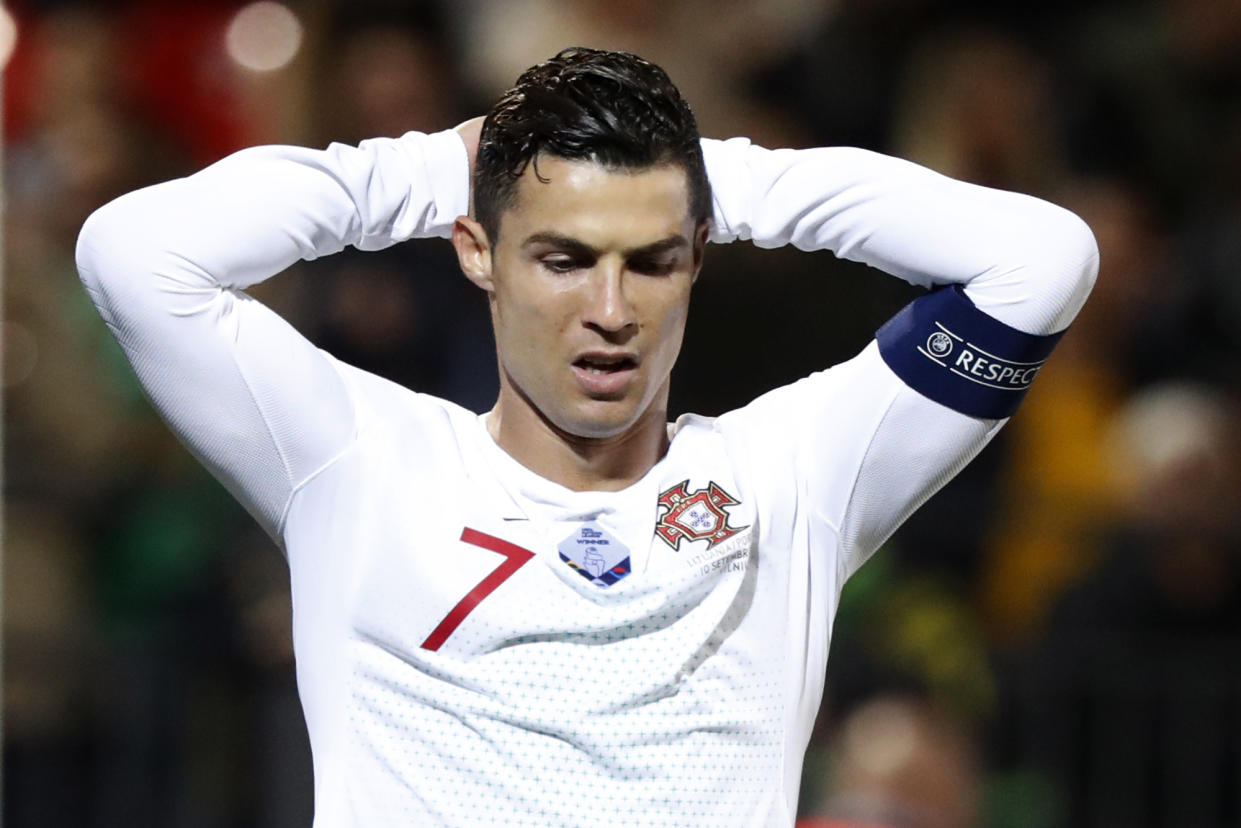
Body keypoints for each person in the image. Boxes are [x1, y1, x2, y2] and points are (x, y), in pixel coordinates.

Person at [76, 48, 1097, 826]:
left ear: (699, 255)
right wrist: (439, 167)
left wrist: (720, 182)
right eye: (563, 256)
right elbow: (133, 254)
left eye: (650, 260)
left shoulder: (794, 479)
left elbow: (1041, 259)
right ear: (476, 252)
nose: (609, 309)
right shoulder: (359, 460)